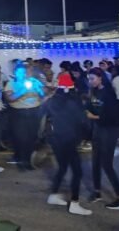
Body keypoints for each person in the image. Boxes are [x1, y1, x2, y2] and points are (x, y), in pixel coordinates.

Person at [42, 77, 92, 216]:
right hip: (69, 139)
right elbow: (83, 122)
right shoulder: (74, 101)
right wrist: (88, 137)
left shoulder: (51, 100)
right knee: (77, 171)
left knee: (63, 167)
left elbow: (41, 114)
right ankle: (74, 203)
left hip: (54, 139)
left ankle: (53, 195)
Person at [86, 68, 119, 210]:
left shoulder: (109, 93)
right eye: (89, 79)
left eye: (93, 78)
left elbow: (113, 116)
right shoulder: (93, 91)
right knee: (95, 162)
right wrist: (87, 111)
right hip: (98, 130)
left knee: (107, 164)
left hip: (109, 130)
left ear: (100, 78)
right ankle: (97, 192)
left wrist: (94, 117)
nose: (90, 81)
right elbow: (88, 106)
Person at [5, 64, 44, 170]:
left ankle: (28, 161)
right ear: (15, 73)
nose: (22, 74)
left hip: (34, 111)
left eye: (23, 72)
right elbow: (10, 99)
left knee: (32, 137)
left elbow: (43, 95)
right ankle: (21, 160)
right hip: (18, 113)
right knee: (21, 137)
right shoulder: (11, 83)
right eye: (19, 72)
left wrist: (38, 89)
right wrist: (22, 91)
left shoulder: (34, 81)